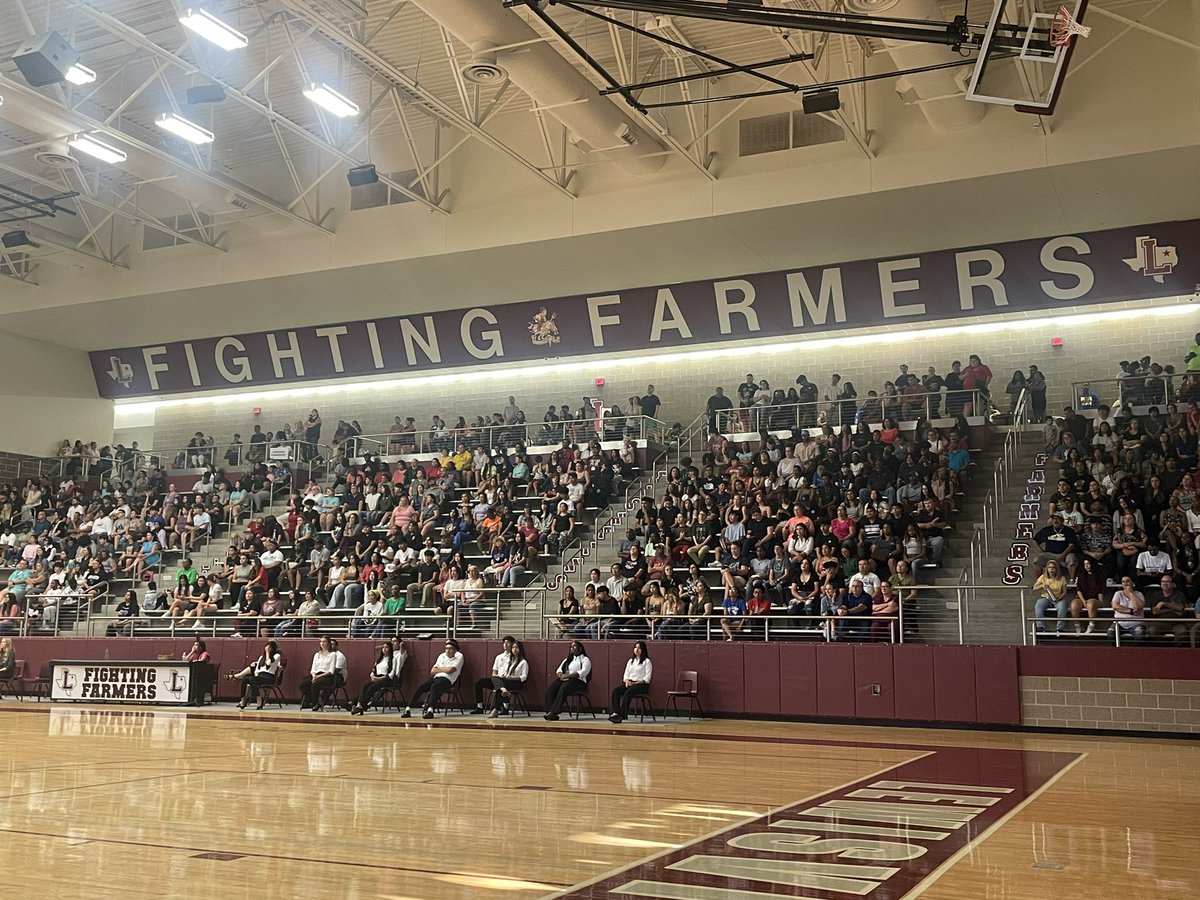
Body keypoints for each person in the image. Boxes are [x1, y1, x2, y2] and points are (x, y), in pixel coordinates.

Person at [403, 638, 465, 719]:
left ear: (455, 650)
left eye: (450, 649)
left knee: (434, 687)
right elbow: (432, 671)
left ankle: (430, 711)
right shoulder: (441, 656)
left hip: (447, 680)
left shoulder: (459, 656)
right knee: (421, 687)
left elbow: (451, 670)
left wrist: (440, 669)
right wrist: (445, 669)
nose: (448, 650)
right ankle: (408, 709)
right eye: (446, 648)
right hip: (436, 677)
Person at [471, 636, 530, 718]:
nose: (514, 649)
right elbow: (496, 672)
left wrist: (511, 678)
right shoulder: (509, 661)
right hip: (503, 680)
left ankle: (497, 709)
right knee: (485, 681)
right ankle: (501, 692)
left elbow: (524, 677)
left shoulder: (523, 662)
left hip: (516, 683)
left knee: (499, 685)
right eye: (513, 648)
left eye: (516, 647)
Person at [226, 640, 282, 710]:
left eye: (269, 648)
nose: (267, 649)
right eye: (267, 647)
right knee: (245, 678)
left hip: (269, 677)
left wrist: (267, 652)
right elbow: (257, 669)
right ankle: (243, 699)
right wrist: (256, 674)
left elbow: (268, 663)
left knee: (252, 679)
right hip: (260, 676)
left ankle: (258, 699)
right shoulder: (261, 657)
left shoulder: (277, 656)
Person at [544, 640, 591, 721]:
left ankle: (554, 712)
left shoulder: (585, 660)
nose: (572, 648)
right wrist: (561, 675)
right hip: (565, 679)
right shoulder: (568, 659)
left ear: (580, 648)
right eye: (571, 647)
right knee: (551, 689)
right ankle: (549, 710)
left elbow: (583, 673)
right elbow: (559, 670)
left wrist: (568, 675)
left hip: (579, 682)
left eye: (574, 646)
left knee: (564, 687)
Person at [609, 640, 652, 723]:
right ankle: (616, 712)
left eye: (639, 648)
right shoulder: (630, 661)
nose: (637, 649)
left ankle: (622, 715)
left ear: (643, 650)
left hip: (641, 685)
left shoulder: (647, 662)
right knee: (616, 691)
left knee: (628, 692)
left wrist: (635, 683)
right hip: (630, 683)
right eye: (635, 647)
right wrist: (627, 681)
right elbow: (626, 674)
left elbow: (647, 678)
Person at [298, 636, 344, 711]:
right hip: (316, 674)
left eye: (324, 641)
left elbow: (331, 671)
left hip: (327, 675)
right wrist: (314, 676)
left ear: (328, 643)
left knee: (315, 684)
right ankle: (310, 699)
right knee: (303, 684)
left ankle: (315, 703)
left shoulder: (333, 655)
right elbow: (313, 668)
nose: (322, 643)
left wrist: (318, 677)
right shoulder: (317, 654)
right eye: (321, 641)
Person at [350, 642, 394, 715]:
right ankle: (359, 704)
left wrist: (379, 679)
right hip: (376, 677)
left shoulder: (393, 659)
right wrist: (373, 676)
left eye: (386, 647)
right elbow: (373, 670)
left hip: (386, 679)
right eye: (383, 648)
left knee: (372, 687)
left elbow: (391, 674)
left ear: (390, 649)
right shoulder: (379, 659)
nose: (384, 649)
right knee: (365, 686)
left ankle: (363, 705)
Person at [1033, 560, 1069, 633]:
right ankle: (1040, 627)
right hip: (1046, 598)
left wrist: (1059, 598)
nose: (1051, 569)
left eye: (1053, 567)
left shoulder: (1062, 578)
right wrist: (1042, 586)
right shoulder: (1043, 577)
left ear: (1056, 569)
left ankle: (1060, 628)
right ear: (1047, 569)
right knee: (1039, 603)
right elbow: (1034, 587)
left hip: (1058, 598)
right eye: (1049, 567)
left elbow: (1065, 591)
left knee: (1063, 605)